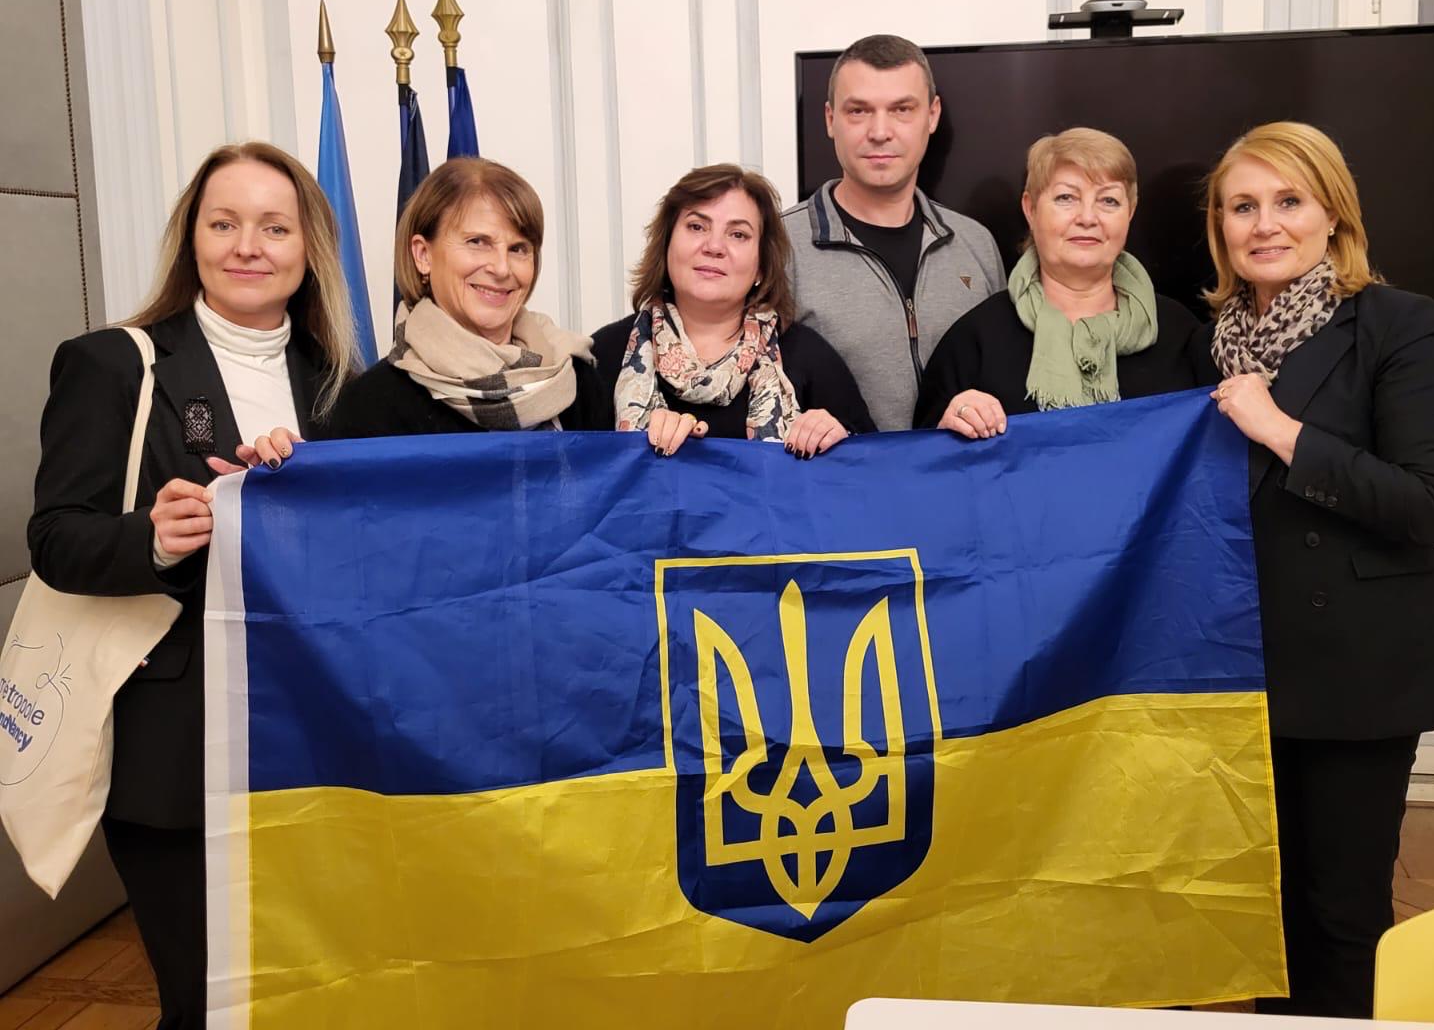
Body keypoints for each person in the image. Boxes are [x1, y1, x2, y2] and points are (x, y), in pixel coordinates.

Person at [28, 141, 359, 1028]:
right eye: (224, 223)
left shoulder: (340, 384)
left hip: (314, 738)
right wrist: (154, 539)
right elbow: (56, 540)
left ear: (309, 249)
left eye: (274, 227)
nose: (248, 245)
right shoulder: (113, 363)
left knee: (311, 996)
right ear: (192, 238)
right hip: (172, 751)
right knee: (206, 1002)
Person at [1204, 121, 1434, 1018]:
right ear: (1220, 226)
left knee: (1343, 915)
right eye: (1243, 206)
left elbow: (1426, 505)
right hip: (1240, 668)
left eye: (1288, 201)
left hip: (1359, 673)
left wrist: (1282, 431)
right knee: (1266, 915)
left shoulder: (1396, 323)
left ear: (1333, 215)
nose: (1265, 224)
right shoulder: (1208, 340)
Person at [915, 128, 1214, 433]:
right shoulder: (974, 341)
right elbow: (922, 455)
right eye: (1066, 198)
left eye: (1109, 200)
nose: (1087, 217)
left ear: (1130, 212)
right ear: (1030, 209)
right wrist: (947, 429)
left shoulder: (1180, 334)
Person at [784, 34, 1004, 430]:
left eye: (902, 109)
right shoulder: (778, 247)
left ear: (932, 116)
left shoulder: (976, 244)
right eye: (859, 111)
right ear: (830, 119)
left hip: (962, 471)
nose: (880, 131)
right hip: (839, 472)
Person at [592, 163, 874, 456]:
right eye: (697, 227)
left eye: (738, 234)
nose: (714, 246)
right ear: (666, 244)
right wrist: (641, 448)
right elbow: (573, 475)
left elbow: (873, 468)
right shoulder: (602, 357)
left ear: (761, 265)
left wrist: (841, 440)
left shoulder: (809, 356)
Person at [325, 156, 605, 439]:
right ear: (423, 255)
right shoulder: (369, 406)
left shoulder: (577, 379)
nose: (501, 268)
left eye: (518, 248)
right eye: (477, 242)